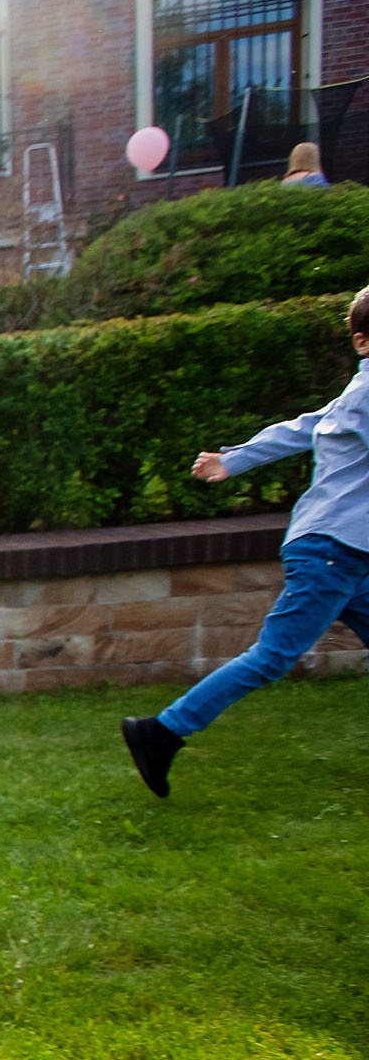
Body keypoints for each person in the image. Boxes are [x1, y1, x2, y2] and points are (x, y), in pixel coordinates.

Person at [123, 284, 369, 797]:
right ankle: (161, 731)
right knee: (274, 656)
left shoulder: (356, 394)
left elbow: (300, 429)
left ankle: (162, 731)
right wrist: (233, 460)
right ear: (362, 342)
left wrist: (232, 460)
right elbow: (304, 429)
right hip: (333, 553)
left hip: (341, 551)